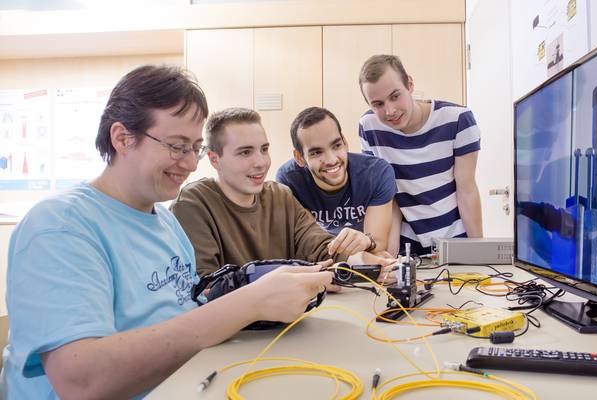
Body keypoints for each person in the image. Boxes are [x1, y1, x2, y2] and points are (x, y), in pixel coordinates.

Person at [1, 65, 333, 400]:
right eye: (177, 146)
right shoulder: (60, 227)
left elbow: (188, 312)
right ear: (122, 138)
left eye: (195, 148)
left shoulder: (165, 222)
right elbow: (80, 381)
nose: (190, 163)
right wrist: (250, 302)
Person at [170, 107, 393, 278]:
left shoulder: (280, 195)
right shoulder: (192, 204)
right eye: (245, 152)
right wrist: (287, 280)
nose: (260, 162)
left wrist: (368, 262)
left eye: (264, 149)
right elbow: (204, 284)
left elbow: (320, 246)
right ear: (214, 159)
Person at [357, 54, 483, 255]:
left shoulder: (458, 119)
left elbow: (466, 189)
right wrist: (388, 251)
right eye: (378, 104)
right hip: (408, 242)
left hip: (454, 238)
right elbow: (388, 194)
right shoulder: (369, 127)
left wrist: (479, 253)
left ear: (410, 84)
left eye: (395, 96)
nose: (390, 111)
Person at [276, 107, 397, 256]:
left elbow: (377, 244)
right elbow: (308, 245)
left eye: (336, 145)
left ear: (345, 142)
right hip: (325, 259)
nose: (332, 160)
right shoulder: (289, 180)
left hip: (363, 257)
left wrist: (367, 241)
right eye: (316, 153)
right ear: (300, 158)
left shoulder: (377, 172)